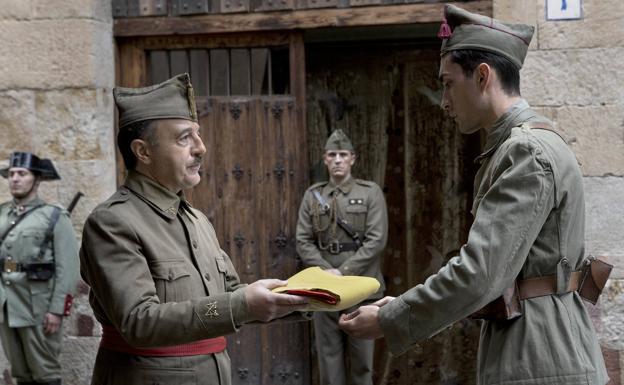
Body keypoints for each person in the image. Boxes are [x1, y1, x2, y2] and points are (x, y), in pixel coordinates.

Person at [339, 4, 609, 385]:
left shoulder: (525, 152)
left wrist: (391, 318)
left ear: (482, 76)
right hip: (536, 347)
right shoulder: (521, 146)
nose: (444, 101)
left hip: (540, 356)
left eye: (448, 83)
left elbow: (480, 274)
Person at [79, 73, 308, 385]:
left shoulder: (196, 219)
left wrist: (305, 296)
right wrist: (241, 305)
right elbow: (139, 321)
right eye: (183, 138)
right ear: (143, 152)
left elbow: (229, 297)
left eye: (198, 136)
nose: (201, 148)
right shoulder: (112, 222)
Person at [296, 129, 387, 385]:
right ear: (325, 159)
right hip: (324, 290)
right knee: (329, 362)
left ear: (352, 159)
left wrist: (343, 273)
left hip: (362, 287)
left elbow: (376, 240)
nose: (337, 159)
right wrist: (326, 272)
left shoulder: (370, 193)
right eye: (332, 154)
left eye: (343, 154)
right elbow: (303, 241)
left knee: (363, 365)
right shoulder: (313, 196)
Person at [0, 152, 79, 385]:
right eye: (12, 174)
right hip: (7, 305)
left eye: (22, 174)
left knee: (45, 372)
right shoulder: (1, 213)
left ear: (37, 179)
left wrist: (57, 309)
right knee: (20, 372)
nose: (15, 178)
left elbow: (68, 268)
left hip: (38, 306)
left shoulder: (54, 216)